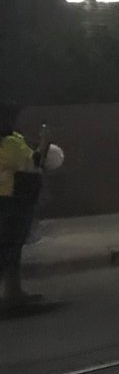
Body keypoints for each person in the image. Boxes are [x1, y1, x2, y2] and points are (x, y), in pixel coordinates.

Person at [0, 103, 47, 313]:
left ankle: (13, 291)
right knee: (8, 248)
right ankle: (11, 293)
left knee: (13, 248)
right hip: (10, 199)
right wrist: (46, 139)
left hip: (16, 198)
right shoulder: (7, 142)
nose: (15, 122)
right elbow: (34, 162)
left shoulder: (13, 139)